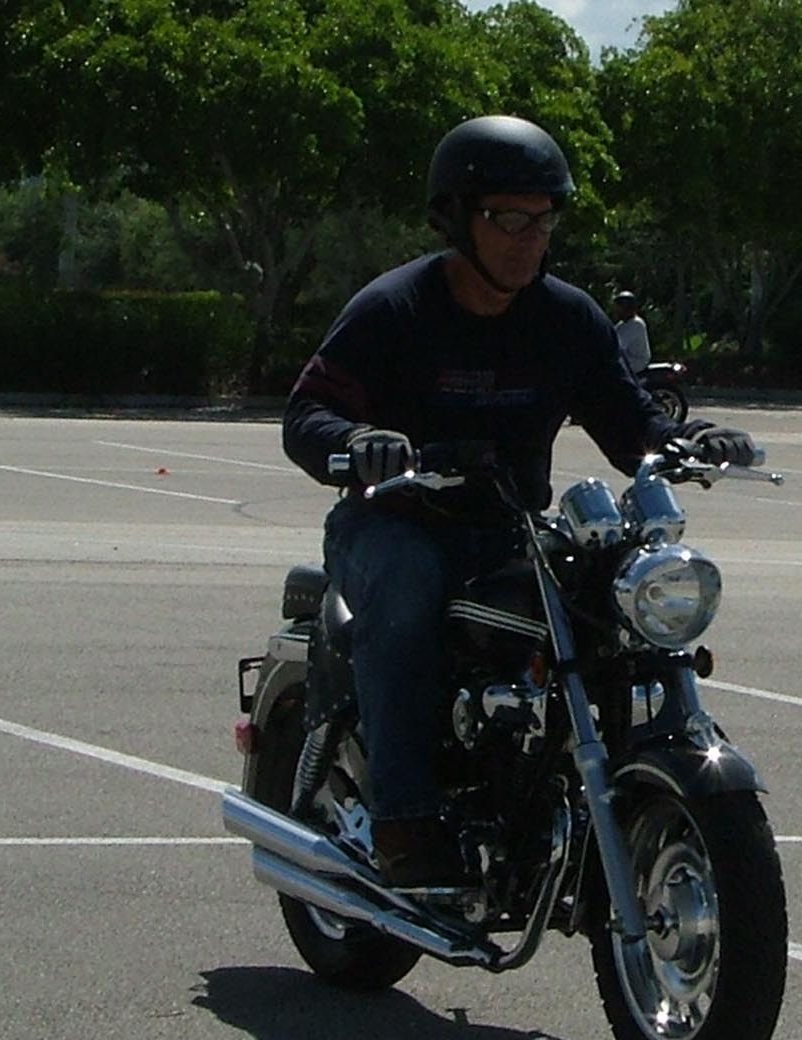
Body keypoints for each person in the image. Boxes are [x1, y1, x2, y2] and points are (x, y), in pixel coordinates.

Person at [282, 115, 756, 886]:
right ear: (455, 219)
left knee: (606, 602)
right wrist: (359, 441)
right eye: (508, 219)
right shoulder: (394, 309)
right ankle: (404, 819)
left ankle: (567, 786)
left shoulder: (566, 319)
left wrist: (687, 440)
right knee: (406, 591)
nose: (528, 239)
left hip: (512, 532)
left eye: (542, 219)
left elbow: (628, 419)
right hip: (395, 523)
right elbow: (307, 412)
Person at [612, 289, 652, 374]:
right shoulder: (622, 324)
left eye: (619, 307)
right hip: (627, 358)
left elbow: (618, 345)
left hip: (637, 361)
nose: (616, 310)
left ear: (628, 307)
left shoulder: (636, 324)